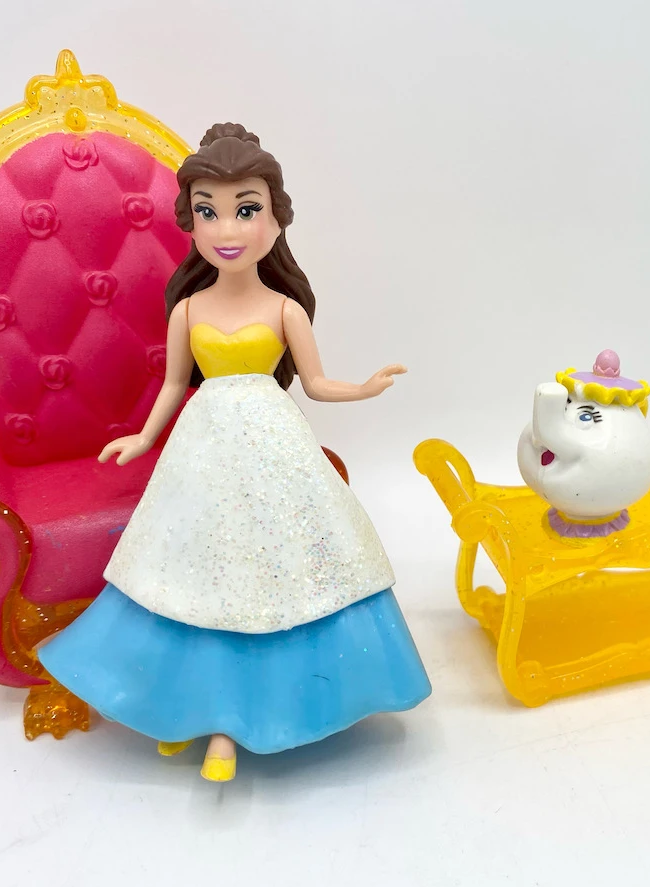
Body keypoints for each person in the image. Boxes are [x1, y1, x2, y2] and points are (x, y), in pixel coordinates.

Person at [38, 123, 431, 782]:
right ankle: (188, 710)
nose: (228, 228)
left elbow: (315, 384)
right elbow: (173, 384)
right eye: (208, 211)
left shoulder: (285, 310)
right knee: (196, 570)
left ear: (276, 221)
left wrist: (363, 387)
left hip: (275, 450)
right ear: (190, 223)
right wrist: (143, 437)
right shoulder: (189, 309)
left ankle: (253, 713)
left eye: (246, 210)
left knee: (281, 566)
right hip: (204, 450)